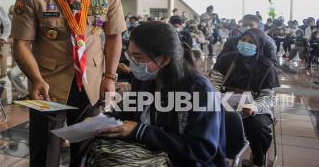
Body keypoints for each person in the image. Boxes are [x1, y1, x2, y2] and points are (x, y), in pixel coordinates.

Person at [11, 0, 126, 167]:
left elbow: (114, 36)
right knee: (44, 151)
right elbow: (21, 44)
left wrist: (109, 76)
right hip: (47, 82)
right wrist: (35, 78)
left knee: (86, 150)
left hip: (91, 81)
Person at [95, 22, 226, 166]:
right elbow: (126, 112)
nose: (132, 63)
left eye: (138, 57)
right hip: (150, 154)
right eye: (130, 55)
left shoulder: (198, 90)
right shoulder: (145, 80)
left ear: (165, 59)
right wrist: (99, 121)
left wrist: (141, 131)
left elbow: (202, 150)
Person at [210, 28, 279, 166]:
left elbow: (267, 97)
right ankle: (216, 156)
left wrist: (255, 107)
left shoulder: (266, 66)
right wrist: (216, 99)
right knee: (206, 119)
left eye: (251, 42)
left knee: (258, 127)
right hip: (223, 105)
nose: (245, 44)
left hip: (253, 110)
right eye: (243, 40)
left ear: (259, 45)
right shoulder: (226, 60)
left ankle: (258, 158)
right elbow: (213, 85)